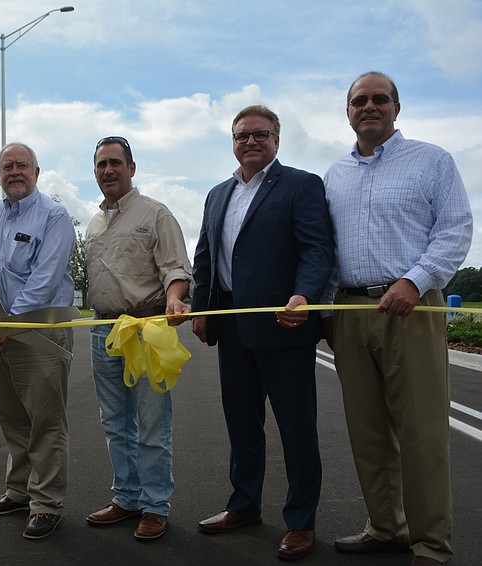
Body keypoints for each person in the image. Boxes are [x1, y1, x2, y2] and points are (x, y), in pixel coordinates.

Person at [323, 72, 472, 566]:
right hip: (348, 310)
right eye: (359, 100)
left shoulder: (432, 161)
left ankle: (430, 544)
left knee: (422, 432)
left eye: (379, 99)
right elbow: (327, 248)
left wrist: (416, 279)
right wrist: (325, 308)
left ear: (397, 107)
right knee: (367, 431)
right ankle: (387, 526)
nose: (370, 106)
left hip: (410, 306)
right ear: (347, 111)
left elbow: (454, 230)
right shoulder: (334, 175)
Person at [191, 105, 334, 560]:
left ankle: (300, 522)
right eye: (242, 135)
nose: (251, 142)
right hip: (231, 326)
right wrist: (201, 309)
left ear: (277, 139)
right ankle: (244, 505)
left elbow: (317, 251)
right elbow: (205, 259)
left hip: (284, 325)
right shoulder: (217, 194)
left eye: (260, 134)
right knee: (241, 424)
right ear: (232, 141)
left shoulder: (301, 185)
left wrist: (305, 296)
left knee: (295, 429)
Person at [0, 143, 76, 540]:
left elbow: (44, 283)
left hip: (40, 330)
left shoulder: (54, 216)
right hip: (5, 330)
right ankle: (19, 491)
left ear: (37, 172)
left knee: (45, 421)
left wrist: (5, 326)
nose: (15, 172)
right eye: (7, 166)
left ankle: (46, 504)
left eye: (22, 165)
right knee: (13, 418)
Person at [84, 136, 192, 542]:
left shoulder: (156, 214)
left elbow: (176, 268)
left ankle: (154, 506)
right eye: (100, 165)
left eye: (115, 162)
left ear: (132, 167)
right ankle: (126, 497)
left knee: (151, 423)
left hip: (146, 329)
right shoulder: (94, 224)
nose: (108, 170)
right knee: (114, 423)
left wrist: (176, 299)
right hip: (103, 330)